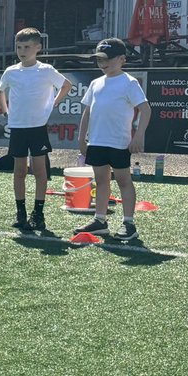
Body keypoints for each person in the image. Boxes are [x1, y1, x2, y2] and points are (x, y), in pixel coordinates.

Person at [0, 28, 72, 231]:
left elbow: (66, 85)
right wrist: (6, 112)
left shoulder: (46, 70)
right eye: (19, 47)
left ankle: (38, 213)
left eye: (27, 47)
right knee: (19, 170)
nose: (22, 51)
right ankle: (20, 212)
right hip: (18, 127)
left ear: (38, 47)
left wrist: (53, 103)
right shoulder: (11, 71)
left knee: (39, 170)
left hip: (37, 127)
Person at [75, 37, 151, 241]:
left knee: (124, 181)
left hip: (119, 142)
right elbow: (87, 112)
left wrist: (138, 136)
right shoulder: (95, 83)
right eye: (99, 59)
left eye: (107, 59)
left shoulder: (129, 82)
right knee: (101, 181)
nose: (102, 63)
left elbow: (145, 110)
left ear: (122, 59)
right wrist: (82, 138)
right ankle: (100, 221)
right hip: (97, 141)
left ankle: (129, 223)